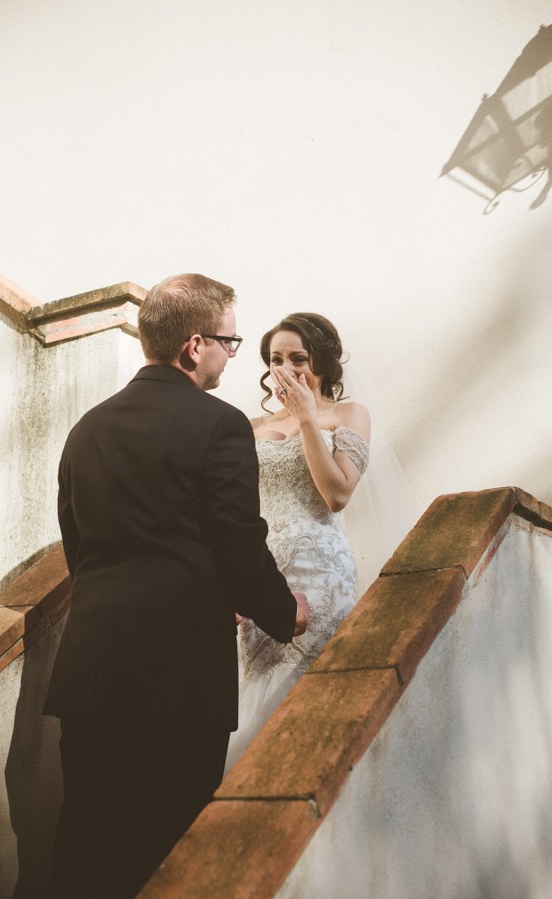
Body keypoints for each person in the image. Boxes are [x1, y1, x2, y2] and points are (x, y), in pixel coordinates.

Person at [43, 274, 308, 899]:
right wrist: (282, 610)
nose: (230, 355)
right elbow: (238, 541)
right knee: (169, 852)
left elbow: (78, 548)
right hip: (176, 677)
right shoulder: (218, 425)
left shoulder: (88, 428)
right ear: (195, 346)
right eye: (230, 341)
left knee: (85, 845)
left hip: (91, 670)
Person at [224, 312, 371, 773]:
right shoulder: (246, 427)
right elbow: (234, 513)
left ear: (322, 363)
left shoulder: (348, 415)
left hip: (320, 572)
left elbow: (336, 494)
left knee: (314, 690)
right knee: (262, 694)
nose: (285, 370)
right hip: (263, 577)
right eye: (276, 359)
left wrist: (308, 418)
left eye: (299, 359)